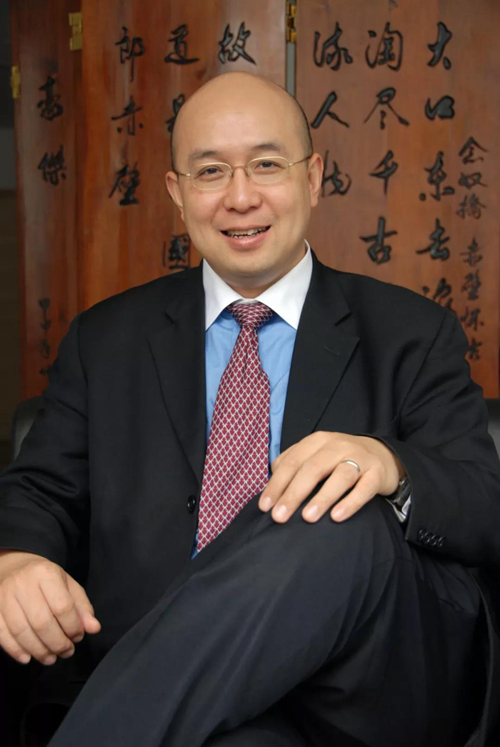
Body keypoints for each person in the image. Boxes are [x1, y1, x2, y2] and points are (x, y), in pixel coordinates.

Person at [0, 71, 499, 747]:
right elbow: (38, 490)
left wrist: (388, 465)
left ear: (313, 178)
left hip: (353, 693)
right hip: (179, 700)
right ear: (177, 193)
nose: (240, 197)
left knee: (337, 509)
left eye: (267, 164)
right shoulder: (106, 340)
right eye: (210, 171)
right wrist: (14, 559)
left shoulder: (412, 332)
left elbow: (483, 504)